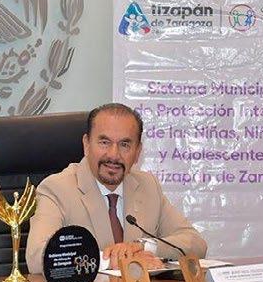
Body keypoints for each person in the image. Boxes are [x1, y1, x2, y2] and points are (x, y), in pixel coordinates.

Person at [26, 103, 208, 273]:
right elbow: (37, 257)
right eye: (104, 142)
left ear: (138, 152)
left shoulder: (148, 185)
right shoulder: (56, 189)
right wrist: (111, 261)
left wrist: (143, 247)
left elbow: (196, 244)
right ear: (86, 144)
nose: (113, 155)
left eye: (124, 145)